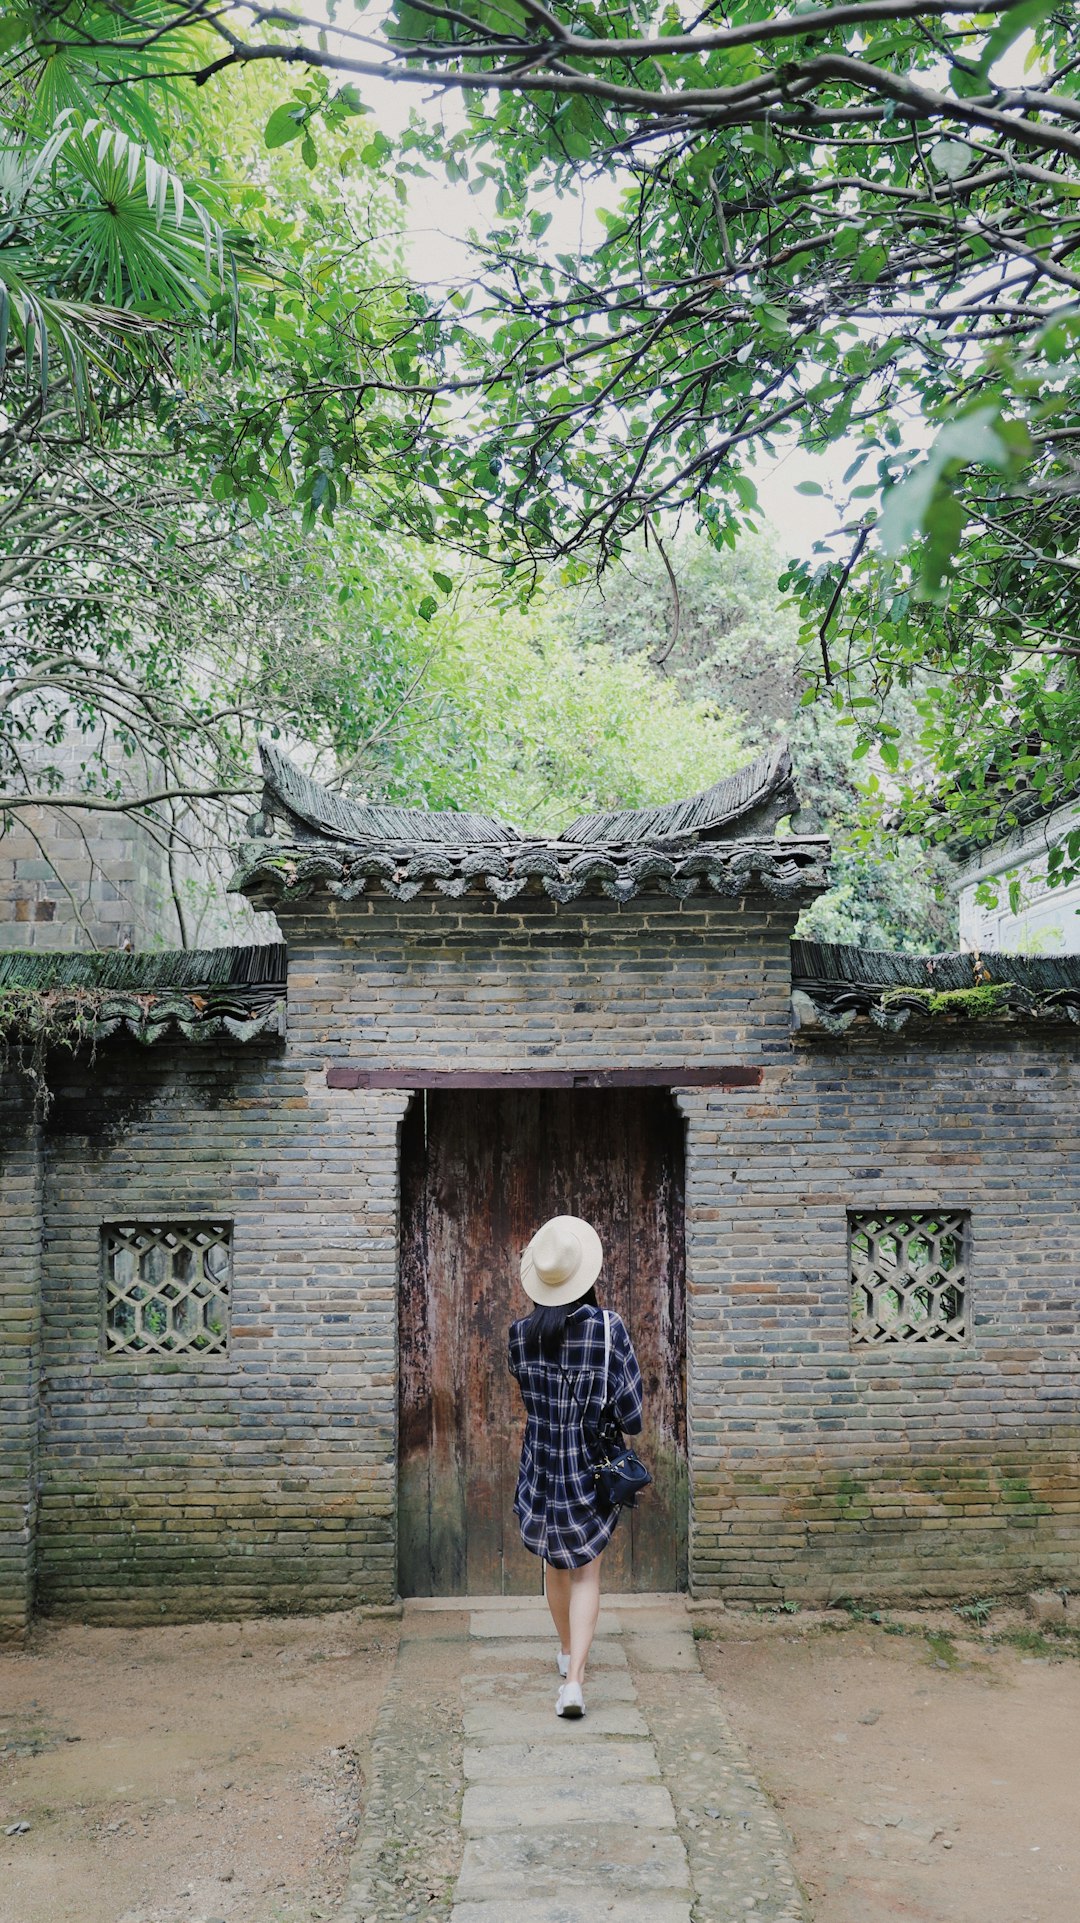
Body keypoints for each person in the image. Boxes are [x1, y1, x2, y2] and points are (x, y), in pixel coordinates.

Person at [508, 1214, 644, 1719]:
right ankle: (574, 1682)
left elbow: (531, 1397)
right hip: (587, 1467)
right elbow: (631, 1414)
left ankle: (566, 1649)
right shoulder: (609, 1331)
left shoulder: (519, 1336)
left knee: (553, 1565)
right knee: (586, 1572)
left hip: (541, 1464)